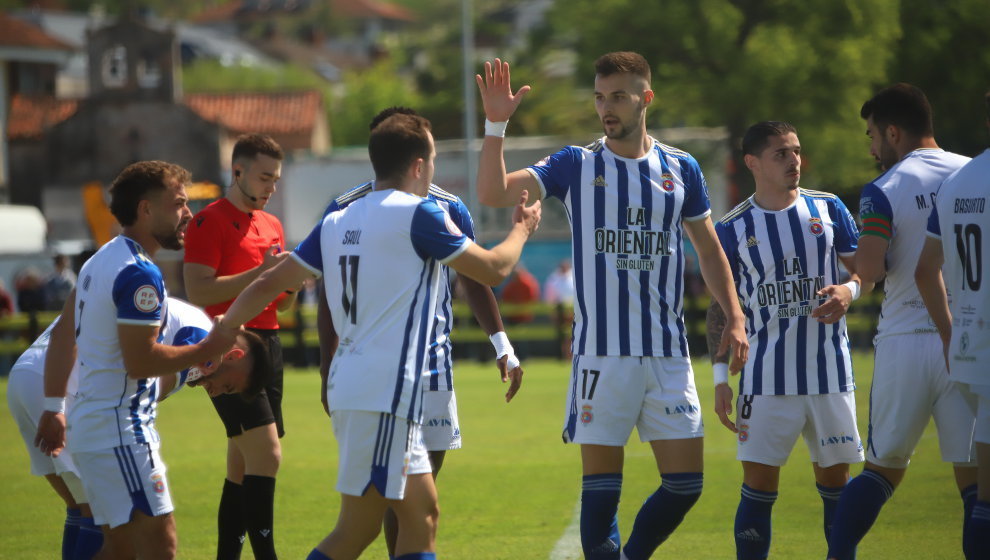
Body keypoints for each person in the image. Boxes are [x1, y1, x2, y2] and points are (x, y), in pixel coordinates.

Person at [203, 111, 541, 560]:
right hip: (384, 390)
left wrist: (224, 331)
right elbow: (493, 268)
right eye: (433, 158)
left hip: (358, 385)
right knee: (362, 531)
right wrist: (521, 228)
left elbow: (268, 284)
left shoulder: (337, 220)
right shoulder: (419, 213)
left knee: (415, 517)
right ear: (419, 165)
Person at [474, 53, 748, 560]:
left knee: (686, 485)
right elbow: (492, 191)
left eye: (619, 96)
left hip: (668, 355)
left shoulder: (680, 167)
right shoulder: (575, 165)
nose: (607, 108)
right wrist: (496, 123)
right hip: (601, 356)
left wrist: (734, 315)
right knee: (601, 501)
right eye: (600, 97)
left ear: (645, 99)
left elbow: (709, 249)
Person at [316, 106, 524, 559]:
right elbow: (328, 295)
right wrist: (326, 367)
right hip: (380, 375)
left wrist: (501, 344)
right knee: (397, 503)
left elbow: (473, 280)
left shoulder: (445, 207)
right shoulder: (344, 209)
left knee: (416, 497)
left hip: (432, 368)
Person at [32, 161, 233, 560]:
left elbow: (62, 335)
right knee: (161, 546)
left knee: (120, 549)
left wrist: (55, 406)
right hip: (120, 432)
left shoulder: (99, 260)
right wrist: (213, 347)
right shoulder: (140, 273)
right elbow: (141, 361)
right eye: (178, 204)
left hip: (96, 428)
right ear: (145, 210)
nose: (188, 214)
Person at [827, 83, 977, 560]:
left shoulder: (885, 188)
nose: (872, 148)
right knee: (976, 484)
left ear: (893, 131)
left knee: (881, 469)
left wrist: (847, 280)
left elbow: (869, 270)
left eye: (873, 135)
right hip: (967, 343)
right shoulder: (973, 174)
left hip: (905, 342)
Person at [706, 121, 869, 559]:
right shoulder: (732, 228)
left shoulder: (829, 208)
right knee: (758, 490)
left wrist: (849, 290)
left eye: (796, 151)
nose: (794, 160)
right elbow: (720, 308)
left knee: (837, 491)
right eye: (781, 153)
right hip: (764, 381)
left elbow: (866, 271)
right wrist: (721, 378)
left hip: (830, 377)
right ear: (753, 163)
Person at [183, 133, 293, 560]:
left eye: (276, 180)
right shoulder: (208, 220)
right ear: (237, 172)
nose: (271, 188)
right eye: (265, 177)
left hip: (269, 343)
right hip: (228, 347)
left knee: (242, 463)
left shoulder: (273, 225)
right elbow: (198, 291)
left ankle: (227, 555)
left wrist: (291, 283)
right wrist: (262, 275)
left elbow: (280, 298)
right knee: (267, 454)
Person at [914, 90, 990, 559]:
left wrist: (948, 332)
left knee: (983, 495)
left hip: (969, 346)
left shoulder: (961, 181)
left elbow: (926, 269)